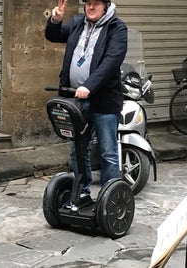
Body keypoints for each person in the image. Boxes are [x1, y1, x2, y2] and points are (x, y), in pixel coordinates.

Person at [45, 0, 128, 202]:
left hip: (104, 100)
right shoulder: (78, 23)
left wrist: (89, 85)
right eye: (88, 3)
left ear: (106, 5)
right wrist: (55, 20)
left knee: (107, 151)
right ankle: (81, 192)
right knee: (78, 150)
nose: (91, 7)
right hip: (76, 100)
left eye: (96, 3)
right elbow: (54, 36)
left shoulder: (116, 28)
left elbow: (111, 61)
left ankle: (109, 199)